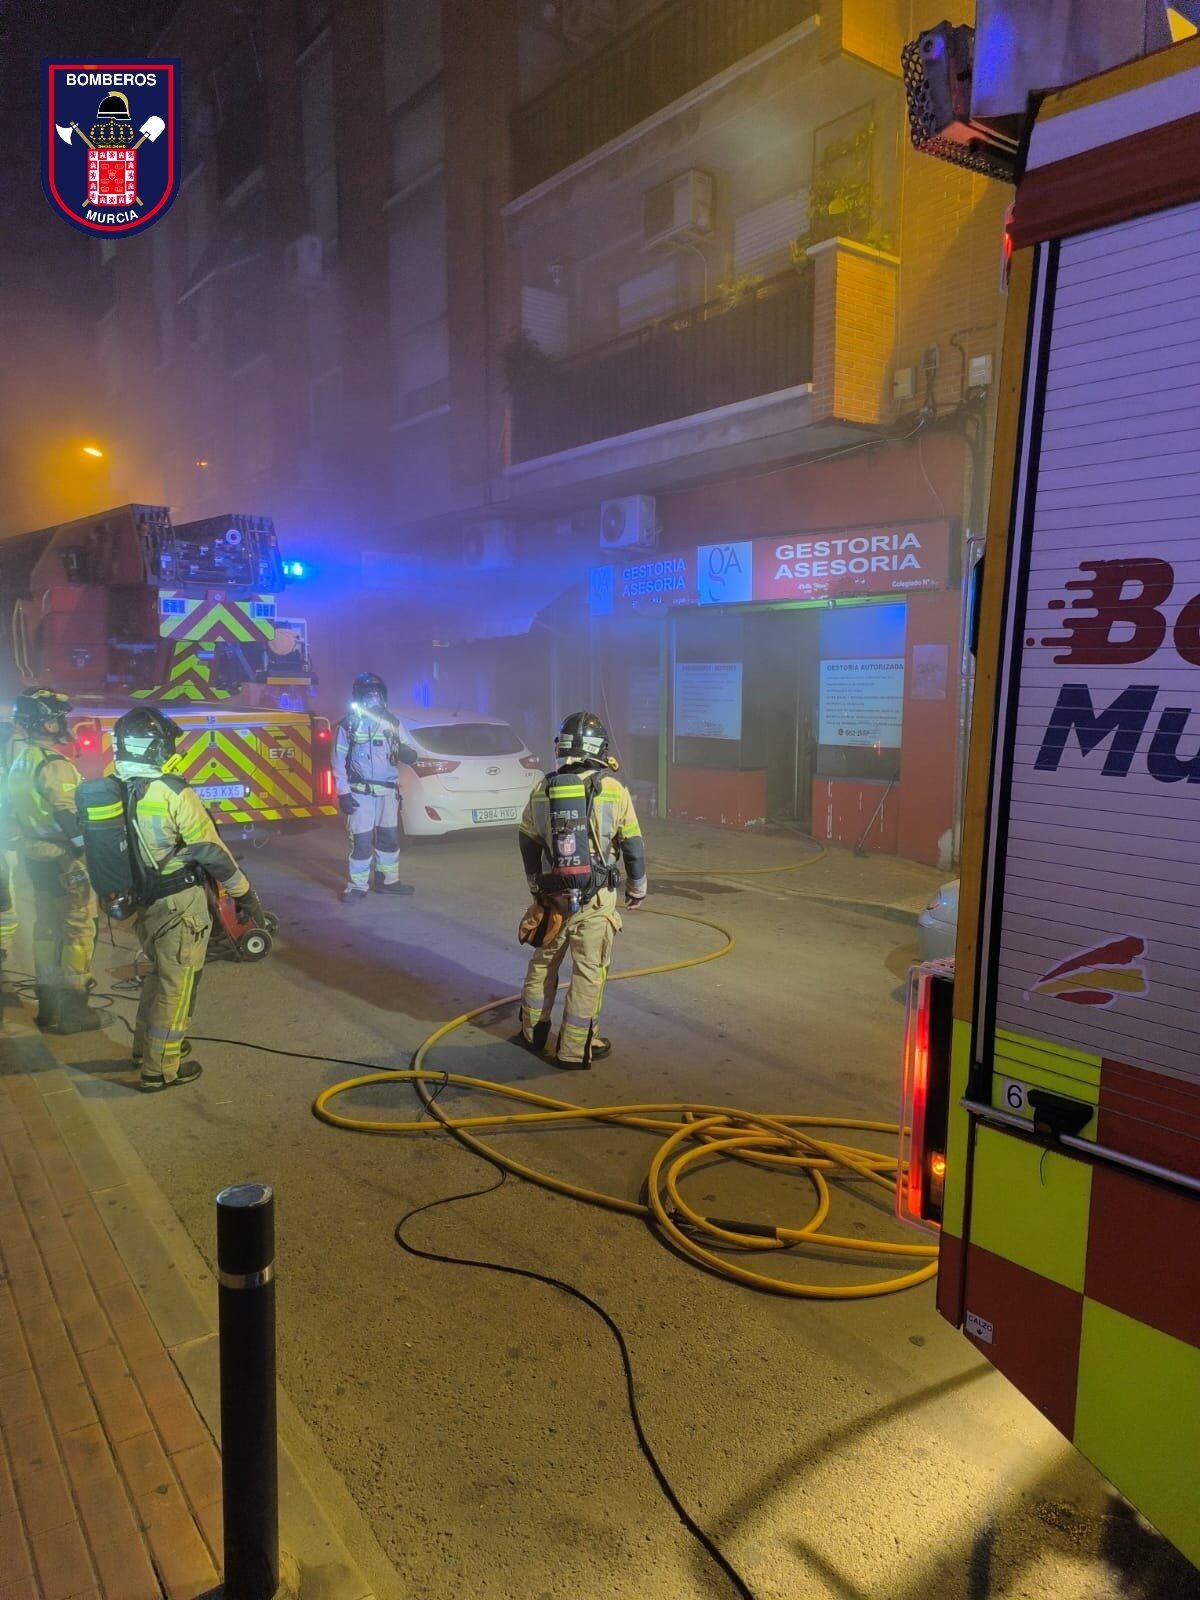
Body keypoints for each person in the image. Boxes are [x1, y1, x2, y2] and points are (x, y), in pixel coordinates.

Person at [110, 706, 263, 1092]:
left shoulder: (112, 786)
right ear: (152, 748)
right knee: (177, 986)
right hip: (177, 902)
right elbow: (209, 851)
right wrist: (245, 893)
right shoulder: (172, 792)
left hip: (142, 900)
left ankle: (144, 1048)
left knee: (159, 976)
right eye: (165, 743)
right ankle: (160, 1069)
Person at [517, 712, 647, 1068]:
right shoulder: (614, 790)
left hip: (553, 897)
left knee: (543, 962)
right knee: (588, 971)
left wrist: (535, 889)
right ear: (597, 749)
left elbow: (527, 841)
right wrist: (637, 888)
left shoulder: (542, 789)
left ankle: (532, 1032)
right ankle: (573, 1051)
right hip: (596, 899)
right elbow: (632, 845)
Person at [6, 689, 100, 1033]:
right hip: (63, 860)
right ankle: (74, 1008)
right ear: (44, 722)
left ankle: (48, 1005)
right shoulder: (53, 764)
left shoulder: (22, 760)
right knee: (78, 926)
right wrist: (89, 851)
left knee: (46, 927)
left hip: (36, 856)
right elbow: (67, 816)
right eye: (57, 717)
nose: (61, 723)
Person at [332, 672, 419, 903]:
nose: (374, 698)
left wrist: (408, 753)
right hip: (360, 794)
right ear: (359, 696)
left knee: (389, 840)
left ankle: (388, 882)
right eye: (369, 693)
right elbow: (337, 762)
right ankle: (357, 887)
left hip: (388, 793)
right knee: (361, 842)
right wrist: (343, 793)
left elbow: (408, 747)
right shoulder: (348, 724)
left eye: (378, 693)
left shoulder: (392, 722)